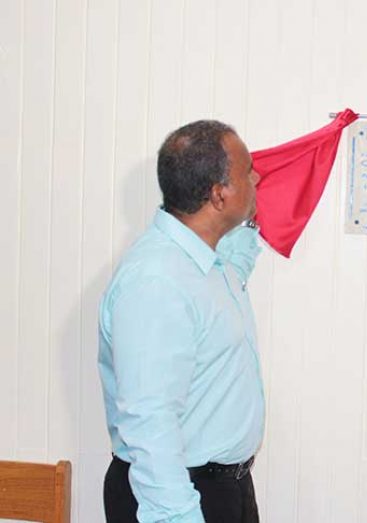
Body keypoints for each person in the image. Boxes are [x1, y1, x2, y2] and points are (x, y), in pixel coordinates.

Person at [98, 120, 265, 522]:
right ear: (218, 194)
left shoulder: (207, 262)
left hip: (224, 489)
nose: (257, 176)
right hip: (177, 497)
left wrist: (250, 228)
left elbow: (230, 279)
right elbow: (149, 421)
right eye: (246, 172)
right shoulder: (156, 282)